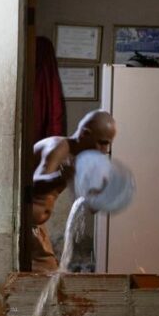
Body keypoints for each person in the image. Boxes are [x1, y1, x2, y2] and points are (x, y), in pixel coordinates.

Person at [29, 110, 117, 271]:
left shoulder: (78, 158)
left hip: (37, 227)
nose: (104, 150)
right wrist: (63, 175)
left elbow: (90, 205)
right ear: (85, 134)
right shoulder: (58, 147)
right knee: (46, 275)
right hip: (22, 225)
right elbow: (32, 184)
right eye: (102, 143)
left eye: (107, 145)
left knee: (49, 274)